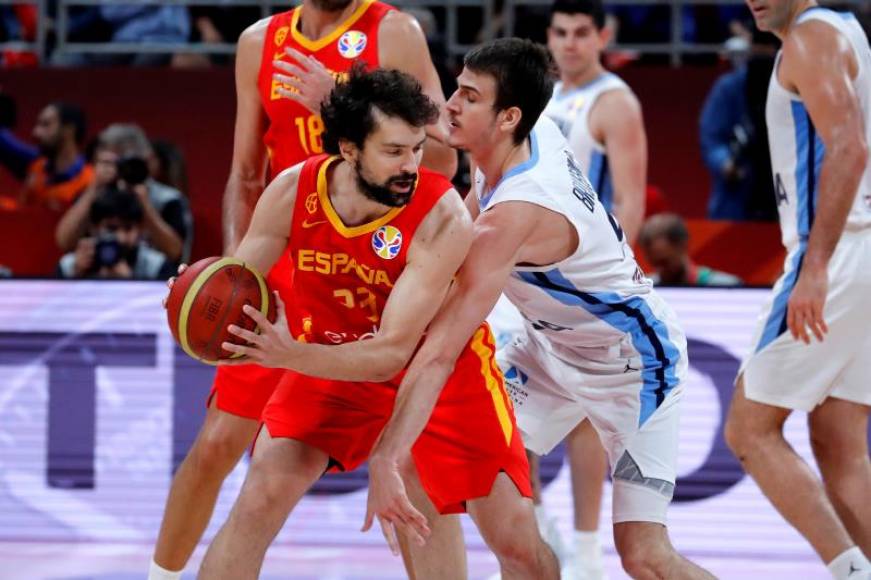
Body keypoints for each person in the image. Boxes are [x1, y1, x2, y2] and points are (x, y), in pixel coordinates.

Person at [358, 38, 715, 580]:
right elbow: (444, 152)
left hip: (634, 367)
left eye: (469, 96)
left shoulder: (517, 213)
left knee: (643, 555)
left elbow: (439, 350)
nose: (451, 103)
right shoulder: (526, 135)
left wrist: (379, 453)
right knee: (421, 460)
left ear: (507, 117)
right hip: (550, 352)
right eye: (457, 87)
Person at [191, 66, 556, 579]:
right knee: (260, 497)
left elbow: (392, 353)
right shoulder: (293, 191)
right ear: (348, 148)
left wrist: (288, 353)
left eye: (414, 149)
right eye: (393, 152)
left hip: (436, 371)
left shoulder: (441, 215)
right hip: (331, 363)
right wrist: (198, 293)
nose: (411, 165)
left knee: (511, 542)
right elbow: (240, 281)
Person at [148, 0, 458, 577]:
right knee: (219, 442)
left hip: (377, 265)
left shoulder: (393, 31)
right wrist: (234, 276)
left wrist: (341, 97)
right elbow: (245, 175)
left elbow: (439, 154)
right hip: (286, 257)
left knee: (417, 461)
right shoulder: (257, 43)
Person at [725, 2, 871, 578]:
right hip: (861, 252)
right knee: (838, 443)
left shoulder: (809, 38)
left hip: (838, 252)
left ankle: (848, 571)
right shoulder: (844, 30)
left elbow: (850, 147)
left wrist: (815, 268)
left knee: (749, 430)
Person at [539, 1, 648, 576]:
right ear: (548, 36)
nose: (571, 44)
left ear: (602, 35)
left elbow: (629, 201)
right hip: (526, 283)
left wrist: (608, 289)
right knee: (504, 410)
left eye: (582, 33)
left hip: (584, 286)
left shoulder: (614, 102)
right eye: (561, 33)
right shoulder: (537, 97)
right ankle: (537, 536)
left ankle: (584, 556)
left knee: (583, 417)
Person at [55, 124, 192, 265]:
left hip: (153, 280)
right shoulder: (93, 194)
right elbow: (64, 242)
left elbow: (175, 252)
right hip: (99, 279)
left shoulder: (168, 199)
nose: (121, 169)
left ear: (148, 160)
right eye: (112, 163)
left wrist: (144, 204)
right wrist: (94, 188)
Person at [56, 187, 176, 280]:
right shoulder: (69, 265)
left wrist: (130, 282)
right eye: (111, 228)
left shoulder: (156, 266)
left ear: (140, 229)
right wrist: (74, 276)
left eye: (128, 228)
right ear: (94, 228)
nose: (120, 238)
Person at [0, 101, 93, 210]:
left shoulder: (90, 182)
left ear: (69, 130)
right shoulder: (37, 168)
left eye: (45, 124)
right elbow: (21, 212)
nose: (35, 132)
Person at [639, 213, 743, 286]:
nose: (660, 271)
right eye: (655, 264)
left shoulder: (727, 287)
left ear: (683, 246)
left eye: (665, 262)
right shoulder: (646, 291)